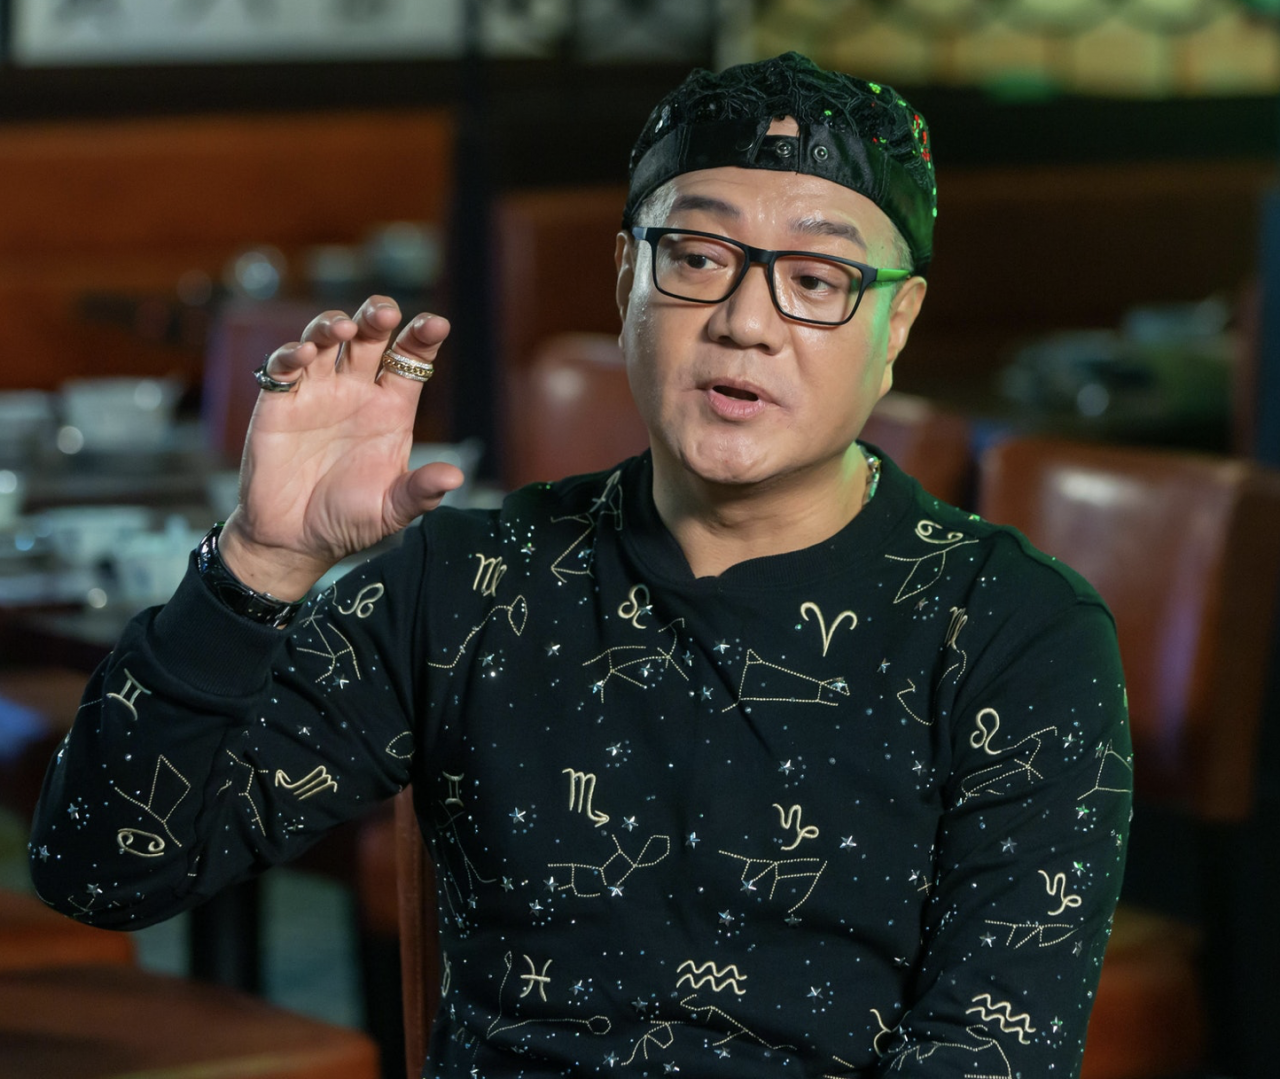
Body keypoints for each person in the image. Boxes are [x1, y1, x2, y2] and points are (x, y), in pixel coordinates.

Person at [30, 52, 1131, 1078]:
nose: (745, 321)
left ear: (897, 324)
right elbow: (105, 867)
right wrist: (260, 562)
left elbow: (992, 1050)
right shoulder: (471, 579)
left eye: (815, 277)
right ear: (624, 279)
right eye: (696, 258)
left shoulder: (1012, 627)